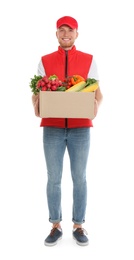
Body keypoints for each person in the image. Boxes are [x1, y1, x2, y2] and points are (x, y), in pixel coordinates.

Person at [32, 15, 103, 246]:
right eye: (61, 30)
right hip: (51, 127)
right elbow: (37, 92)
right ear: (56, 34)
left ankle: (79, 225)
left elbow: (97, 94)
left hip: (80, 129)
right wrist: (37, 106)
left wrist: (93, 108)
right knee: (53, 178)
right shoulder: (44, 60)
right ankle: (55, 225)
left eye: (70, 30)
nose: (65, 34)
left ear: (76, 34)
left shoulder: (89, 59)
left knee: (79, 178)